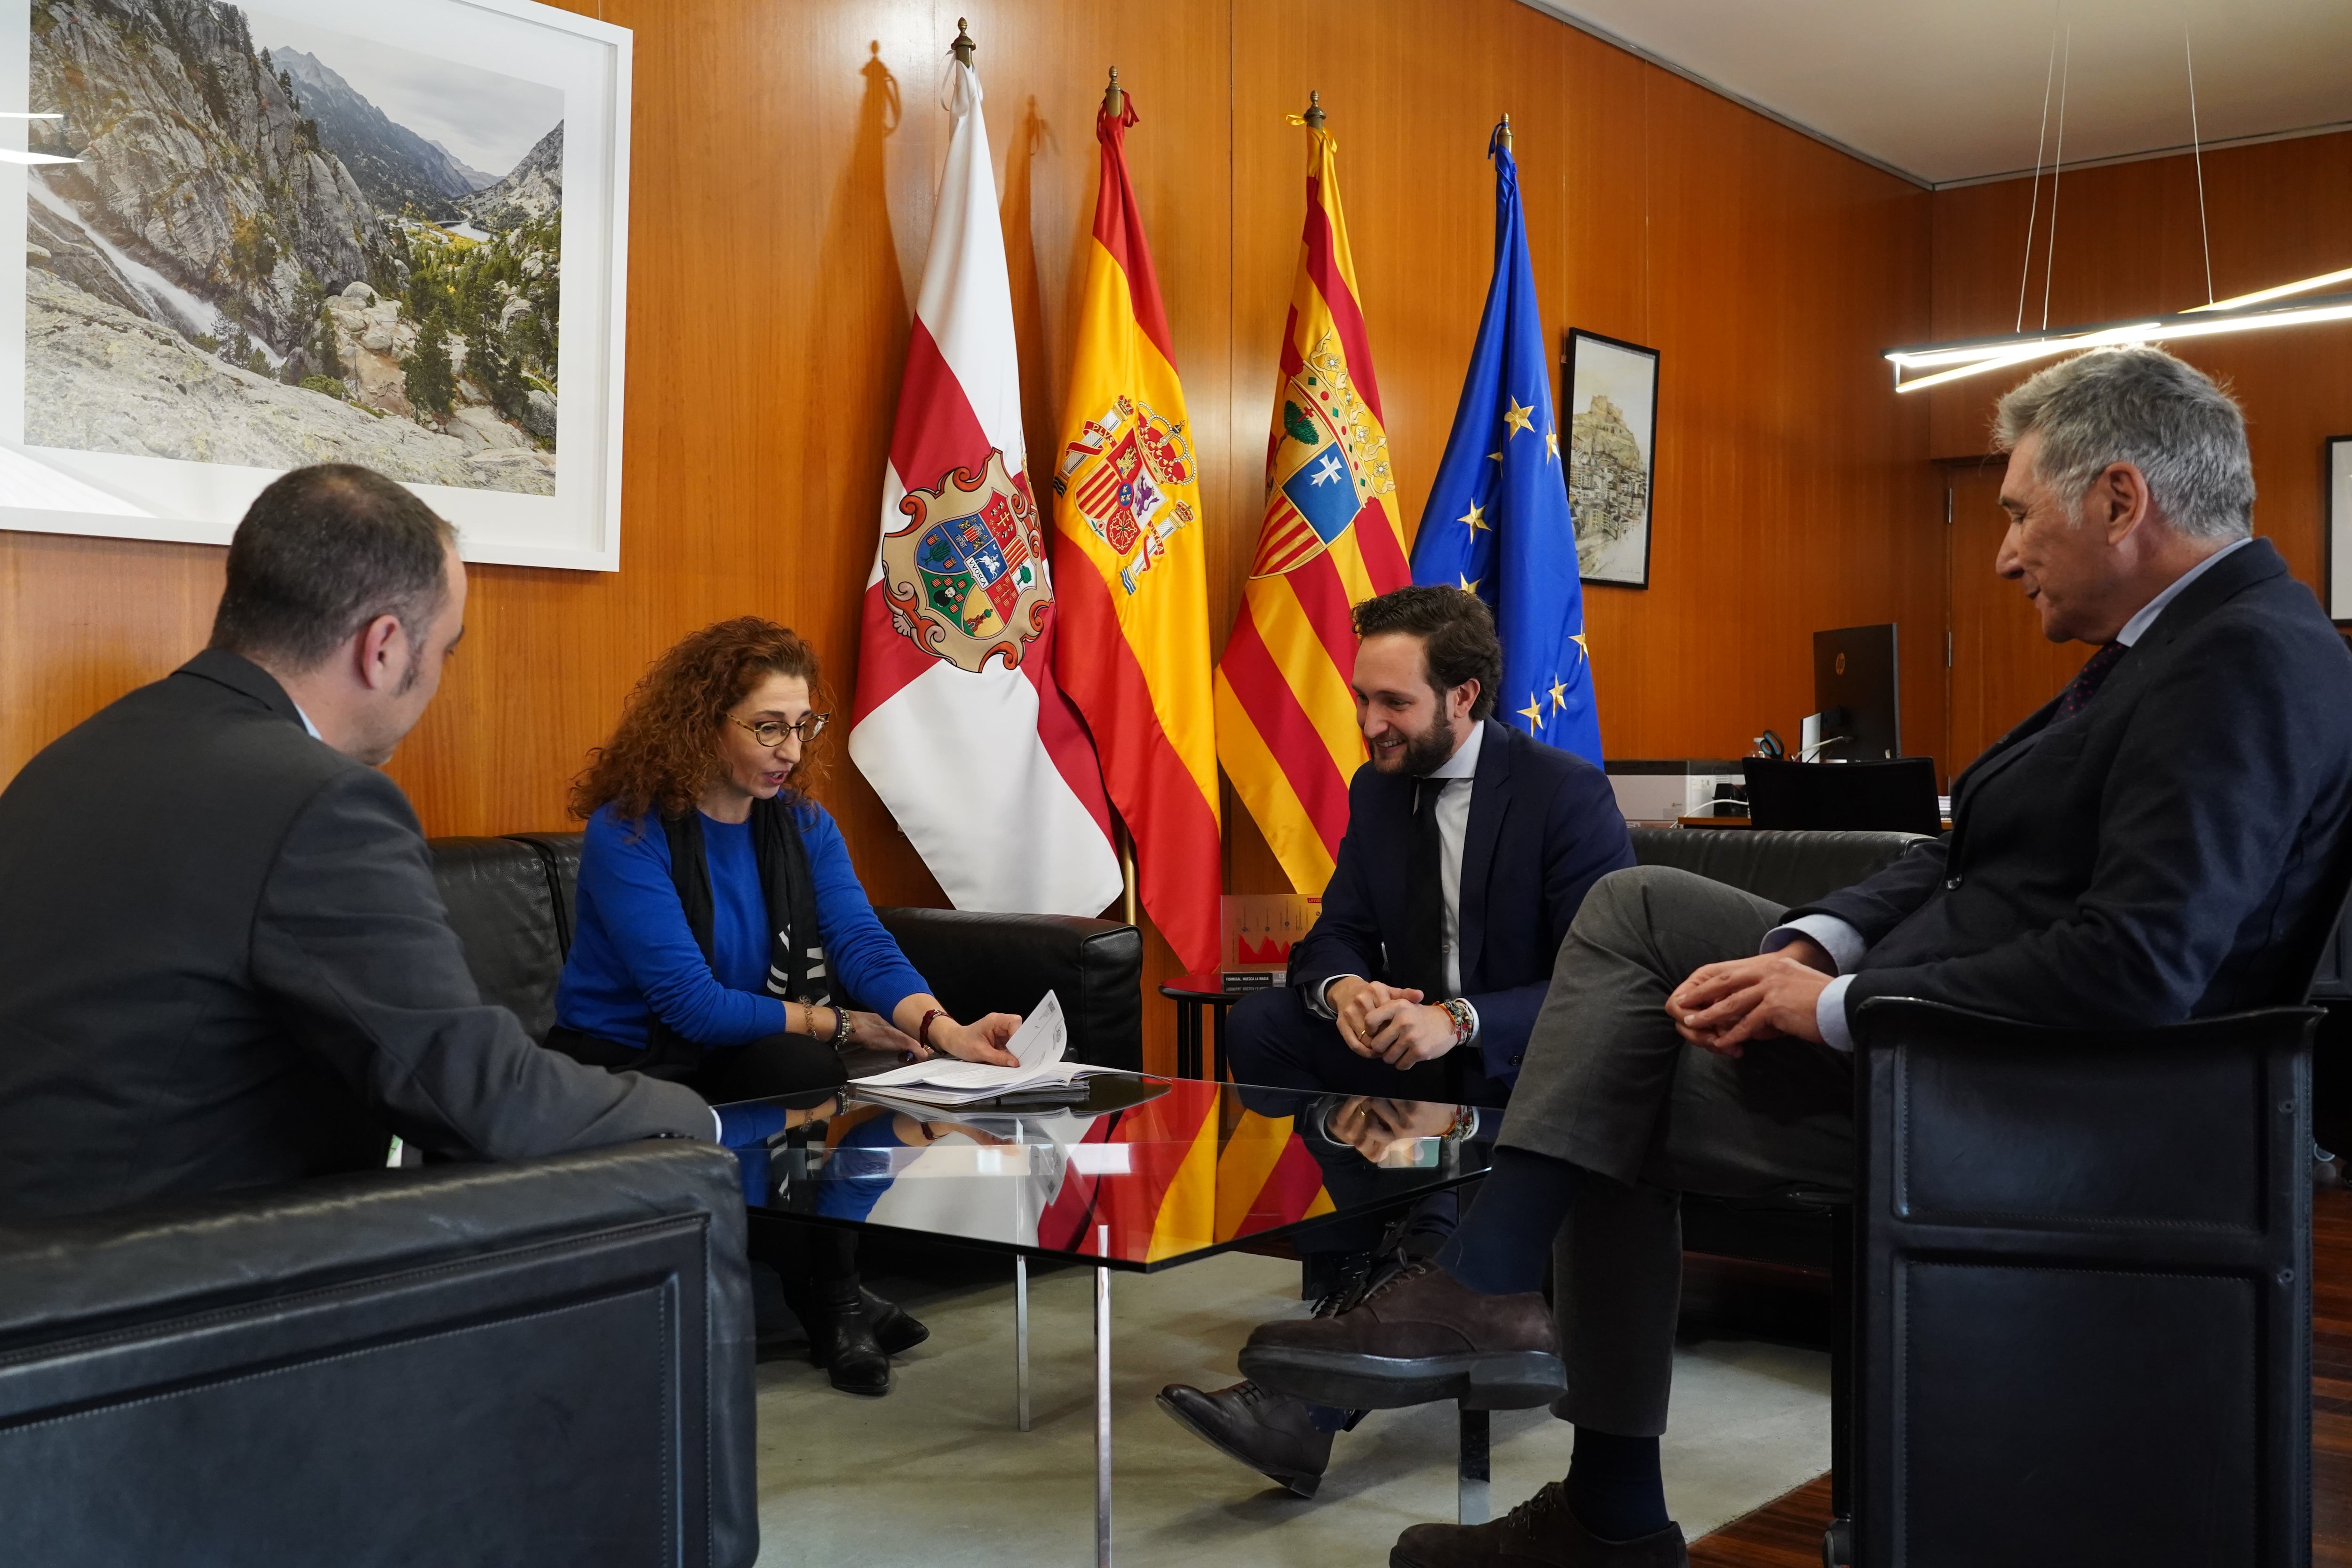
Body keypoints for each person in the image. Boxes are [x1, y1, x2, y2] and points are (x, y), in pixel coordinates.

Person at [1236, 345, 2352, 1568]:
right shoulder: (2166, 651)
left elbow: (2137, 966)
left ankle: (1581, 1459)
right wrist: (1806, 938)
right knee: (1640, 906)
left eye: (2019, 513)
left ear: (2123, 500)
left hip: (2010, 1093)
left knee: (1611, 1069)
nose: (2005, 552)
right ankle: (1498, 1305)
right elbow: (1958, 855)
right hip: (1941, 1019)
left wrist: (1841, 1003)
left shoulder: (2246, 658)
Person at [0, 465, 720, 1221]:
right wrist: (694, 1116)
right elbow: (480, 1094)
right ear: (382, 647)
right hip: (162, 1278)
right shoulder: (321, 802)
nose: (440, 677)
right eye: (446, 650)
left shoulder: (77, 754)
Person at [1159, 584, 1633, 1497]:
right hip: (1404, 1050)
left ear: (1462, 696)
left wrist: (1454, 1018)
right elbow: (1333, 931)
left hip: (1514, 1060)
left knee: (1473, 1109)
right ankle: (1394, 1249)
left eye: (1393, 702)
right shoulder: (1376, 792)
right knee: (1264, 1025)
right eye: (1361, 697)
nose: (1368, 722)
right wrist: (1346, 990)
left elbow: (1601, 983)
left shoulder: (1562, 794)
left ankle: (1315, 1390)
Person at [548, 616, 1023, 1397]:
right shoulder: (629, 831)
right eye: (768, 727)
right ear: (702, 724)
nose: (792, 750)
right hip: (630, 1057)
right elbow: (689, 1005)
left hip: (741, 1045)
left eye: (803, 726)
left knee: (828, 1075)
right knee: (811, 1057)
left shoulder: (805, 825)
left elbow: (861, 945)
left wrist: (942, 1029)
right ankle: (832, 1294)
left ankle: (826, 1286)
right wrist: (842, 1022)